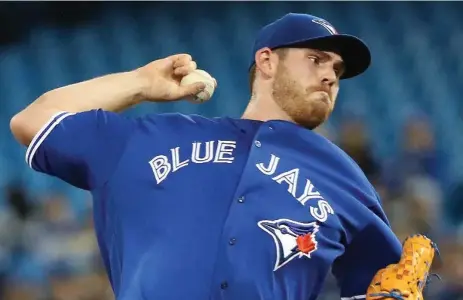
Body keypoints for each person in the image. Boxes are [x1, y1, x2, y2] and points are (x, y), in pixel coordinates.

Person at [10, 13, 402, 300]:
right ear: (267, 61)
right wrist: (140, 84)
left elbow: (382, 284)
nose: (331, 76)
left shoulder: (343, 177)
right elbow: (33, 120)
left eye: (337, 68)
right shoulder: (154, 138)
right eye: (316, 59)